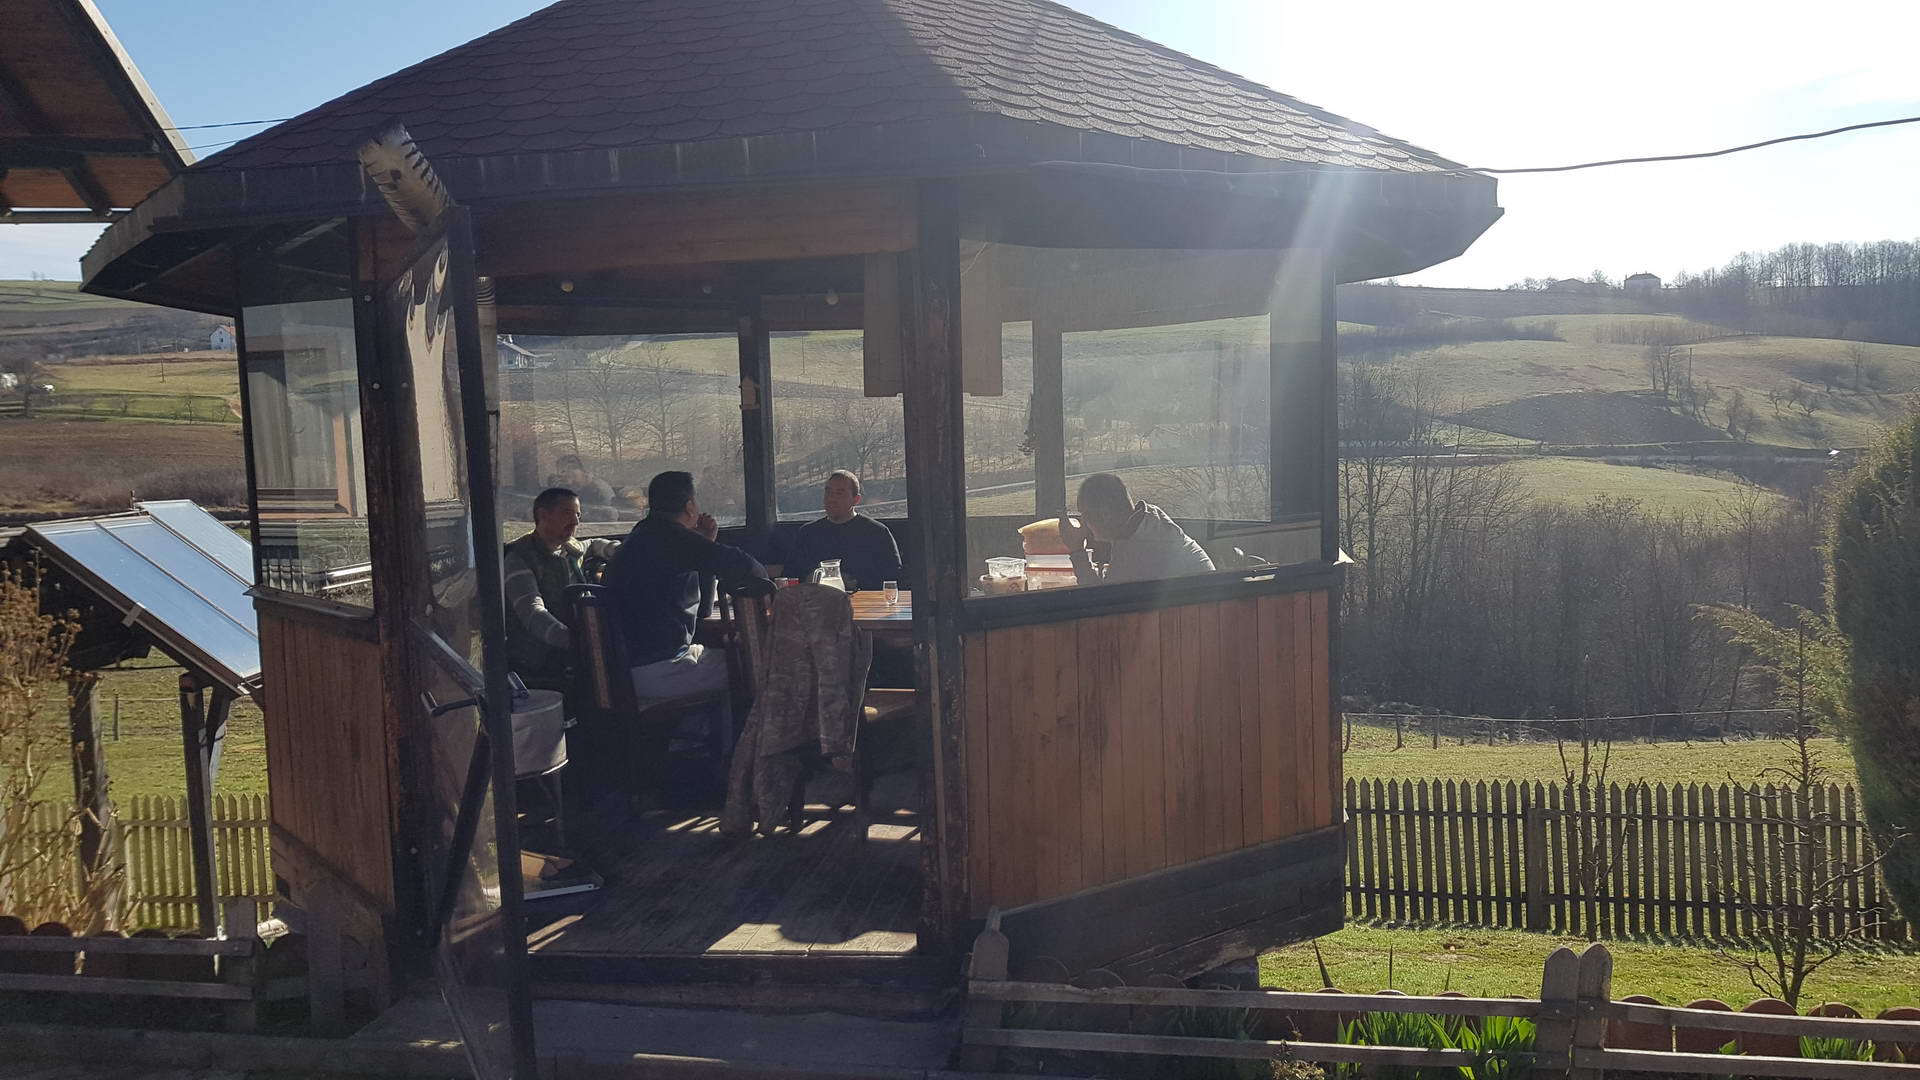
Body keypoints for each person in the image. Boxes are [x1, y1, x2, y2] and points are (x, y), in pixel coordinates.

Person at [605, 470, 770, 700]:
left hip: (625, 670)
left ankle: (699, 724)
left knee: (730, 658)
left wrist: (704, 542)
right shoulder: (672, 538)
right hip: (660, 669)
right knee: (761, 665)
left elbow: (702, 610)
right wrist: (772, 592)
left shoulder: (640, 536)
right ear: (690, 507)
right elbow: (748, 567)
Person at [503, 487, 620, 687]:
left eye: (578, 515)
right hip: (539, 660)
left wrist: (620, 551)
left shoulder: (569, 548)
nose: (575, 522)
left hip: (579, 647)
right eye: (567, 513)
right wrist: (579, 641)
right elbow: (533, 613)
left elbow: (592, 544)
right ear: (543, 515)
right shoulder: (519, 559)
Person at [1062, 472, 1215, 585]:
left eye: (1085, 515)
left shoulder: (1136, 551)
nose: (1084, 522)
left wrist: (1076, 549)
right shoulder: (1149, 521)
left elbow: (1097, 604)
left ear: (1105, 515)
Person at [774, 470, 902, 592]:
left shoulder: (877, 533)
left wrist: (855, 582)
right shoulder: (807, 533)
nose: (831, 499)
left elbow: (893, 578)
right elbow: (790, 576)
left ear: (856, 500)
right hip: (815, 603)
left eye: (840, 493)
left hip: (865, 602)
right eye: (828, 492)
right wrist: (809, 580)